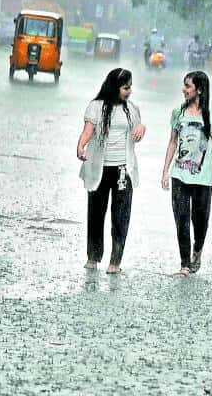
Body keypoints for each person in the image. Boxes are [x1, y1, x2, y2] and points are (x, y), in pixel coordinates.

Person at [77, 68, 146, 274]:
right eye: (126, 88)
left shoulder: (131, 109)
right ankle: (93, 257)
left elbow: (138, 128)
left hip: (123, 171)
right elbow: (88, 131)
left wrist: (142, 129)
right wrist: (80, 146)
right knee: (96, 215)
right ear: (115, 87)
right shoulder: (96, 107)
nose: (129, 91)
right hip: (99, 169)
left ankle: (115, 262)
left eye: (130, 87)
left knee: (121, 217)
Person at [160, 71, 212, 277]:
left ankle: (198, 249)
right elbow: (172, 142)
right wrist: (165, 171)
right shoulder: (177, 113)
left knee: (200, 220)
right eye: (183, 85)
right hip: (179, 175)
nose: (183, 90)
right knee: (181, 219)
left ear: (199, 90)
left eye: (187, 86)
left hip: (202, 178)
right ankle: (185, 264)